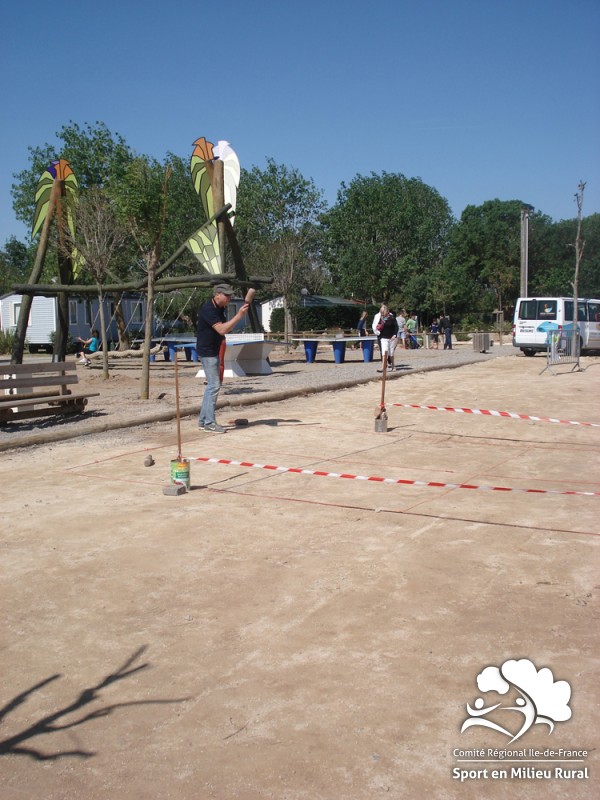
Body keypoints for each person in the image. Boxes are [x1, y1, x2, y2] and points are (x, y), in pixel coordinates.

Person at [196, 284, 249, 433]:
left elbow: (226, 329)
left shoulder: (220, 308)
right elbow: (222, 329)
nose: (229, 298)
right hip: (207, 351)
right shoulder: (209, 308)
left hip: (213, 349)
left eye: (230, 295)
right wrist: (239, 315)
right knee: (214, 386)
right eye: (227, 295)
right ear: (217, 294)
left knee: (211, 386)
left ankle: (203, 421)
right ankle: (209, 423)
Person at [376, 304, 399, 371]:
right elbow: (379, 326)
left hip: (391, 338)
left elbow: (396, 327)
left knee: (391, 353)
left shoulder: (392, 318)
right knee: (384, 352)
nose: (382, 313)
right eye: (381, 312)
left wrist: (394, 334)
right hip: (383, 337)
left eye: (383, 312)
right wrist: (378, 327)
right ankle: (383, 367)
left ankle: (393, 366)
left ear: (386, 311)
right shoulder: (381, 318)